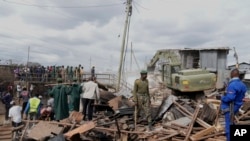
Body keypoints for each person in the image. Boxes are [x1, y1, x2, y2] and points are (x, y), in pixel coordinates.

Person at [220, 68, 247, 141]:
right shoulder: (243, 85)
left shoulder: (232, 85)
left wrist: (222, 97)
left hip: (230, 107)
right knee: (232, 122)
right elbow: (242, 96)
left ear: (232, 74)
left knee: (229, 125)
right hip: (237, 106)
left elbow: (230, 98)